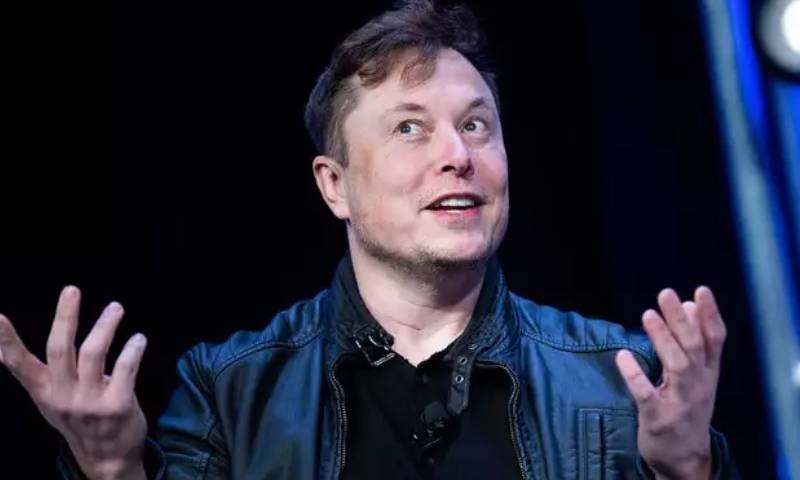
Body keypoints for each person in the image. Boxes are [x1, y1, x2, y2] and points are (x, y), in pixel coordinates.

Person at [0, 1, 736, 478]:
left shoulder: (621, 379)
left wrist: (687, 469)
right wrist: (111, 469)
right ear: (334, 185)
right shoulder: (230, 388)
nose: (458, 154)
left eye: (475, 124)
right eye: (410, 127)